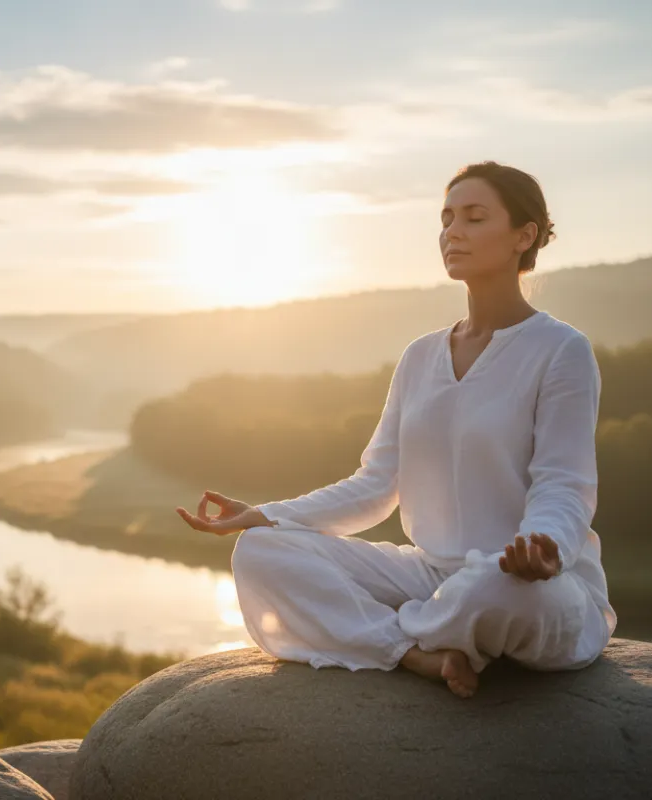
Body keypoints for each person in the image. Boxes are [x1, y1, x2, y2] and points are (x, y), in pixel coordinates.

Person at [175, 161, 616, 698]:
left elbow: (563, 482)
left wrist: (545, 546)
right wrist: (268, 515)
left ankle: (392, 625)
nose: (452, 231)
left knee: (501, 592)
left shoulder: (561, 350)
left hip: (526, 581)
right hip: (430, 575)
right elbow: (375, 485)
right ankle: (412, 653)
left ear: (524, 236)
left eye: (474, 218)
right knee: (260, 552)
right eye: (447, 218)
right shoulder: (420, 356)